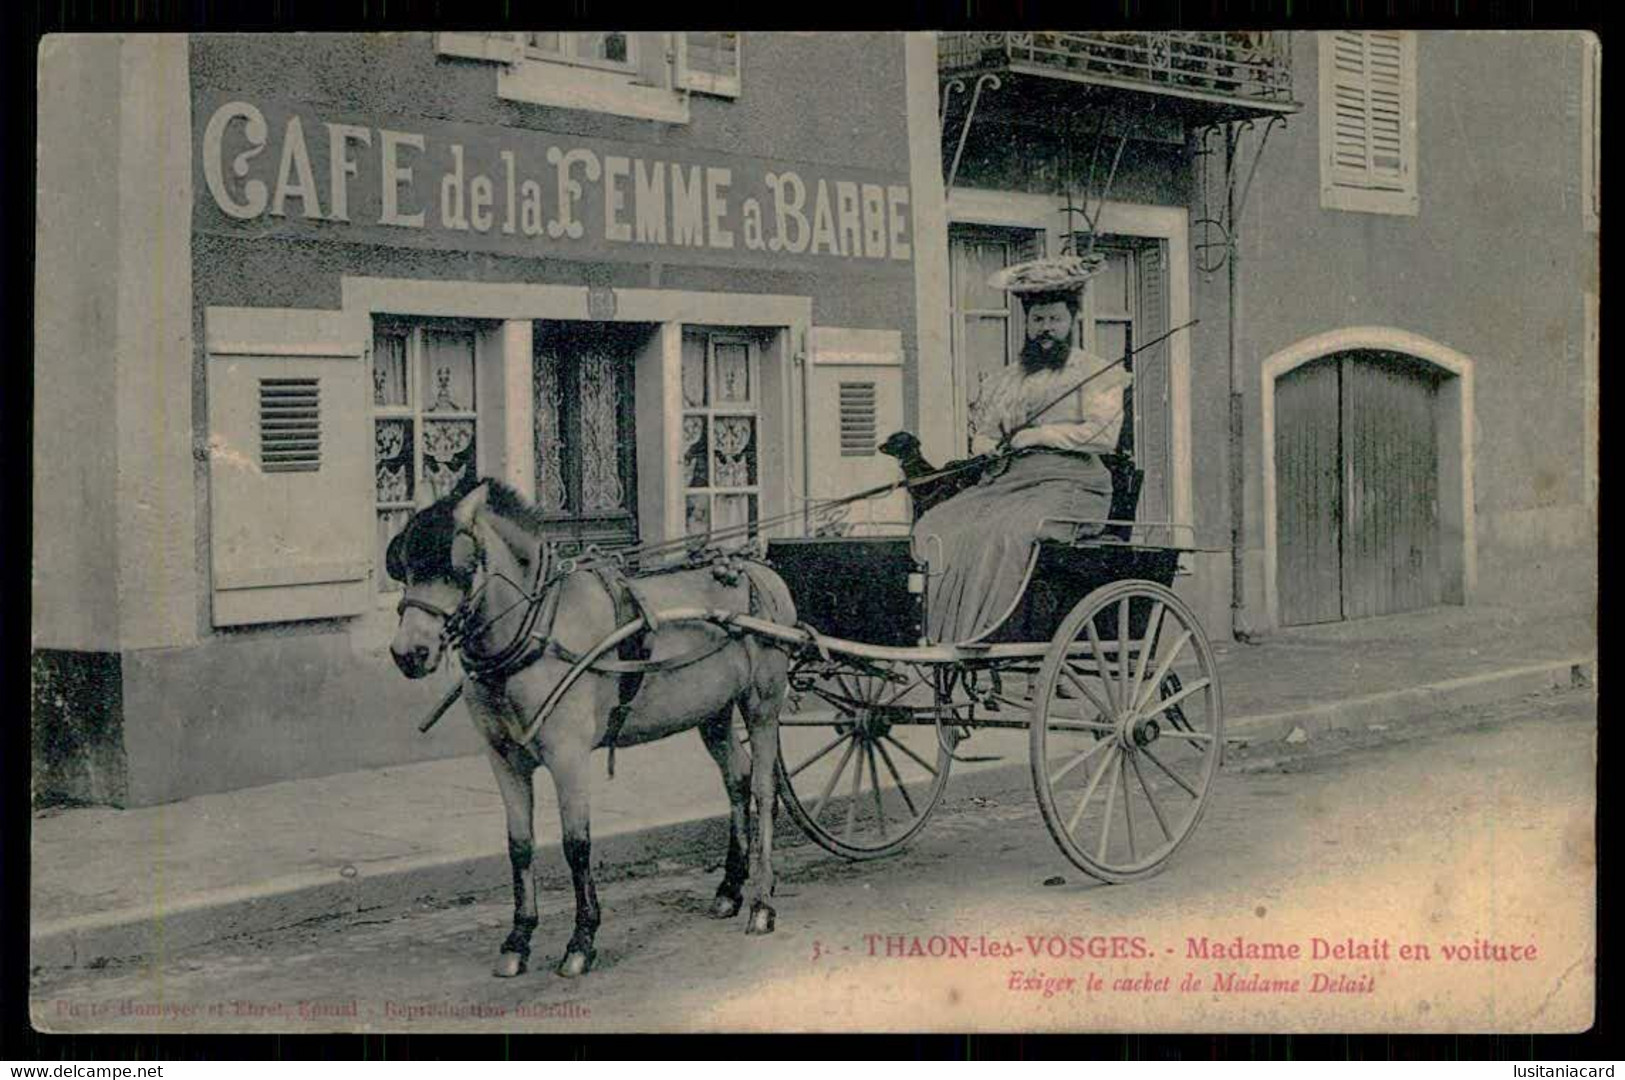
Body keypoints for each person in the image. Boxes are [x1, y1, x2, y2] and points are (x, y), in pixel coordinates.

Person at [913, 255, 1131, 643]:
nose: (1046, 329)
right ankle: (942, 631)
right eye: (1038, 321)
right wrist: (987, 447)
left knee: (1008, 532)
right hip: (1008, 483)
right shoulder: (1007, 379)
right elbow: (985, 432)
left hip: (1071, 485)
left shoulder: (1095, 373)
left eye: (1055, 320)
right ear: (1027, 324)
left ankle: (988, 630)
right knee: (939, 525)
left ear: (1071, 322)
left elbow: (1103, 436)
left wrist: (1040, 435)